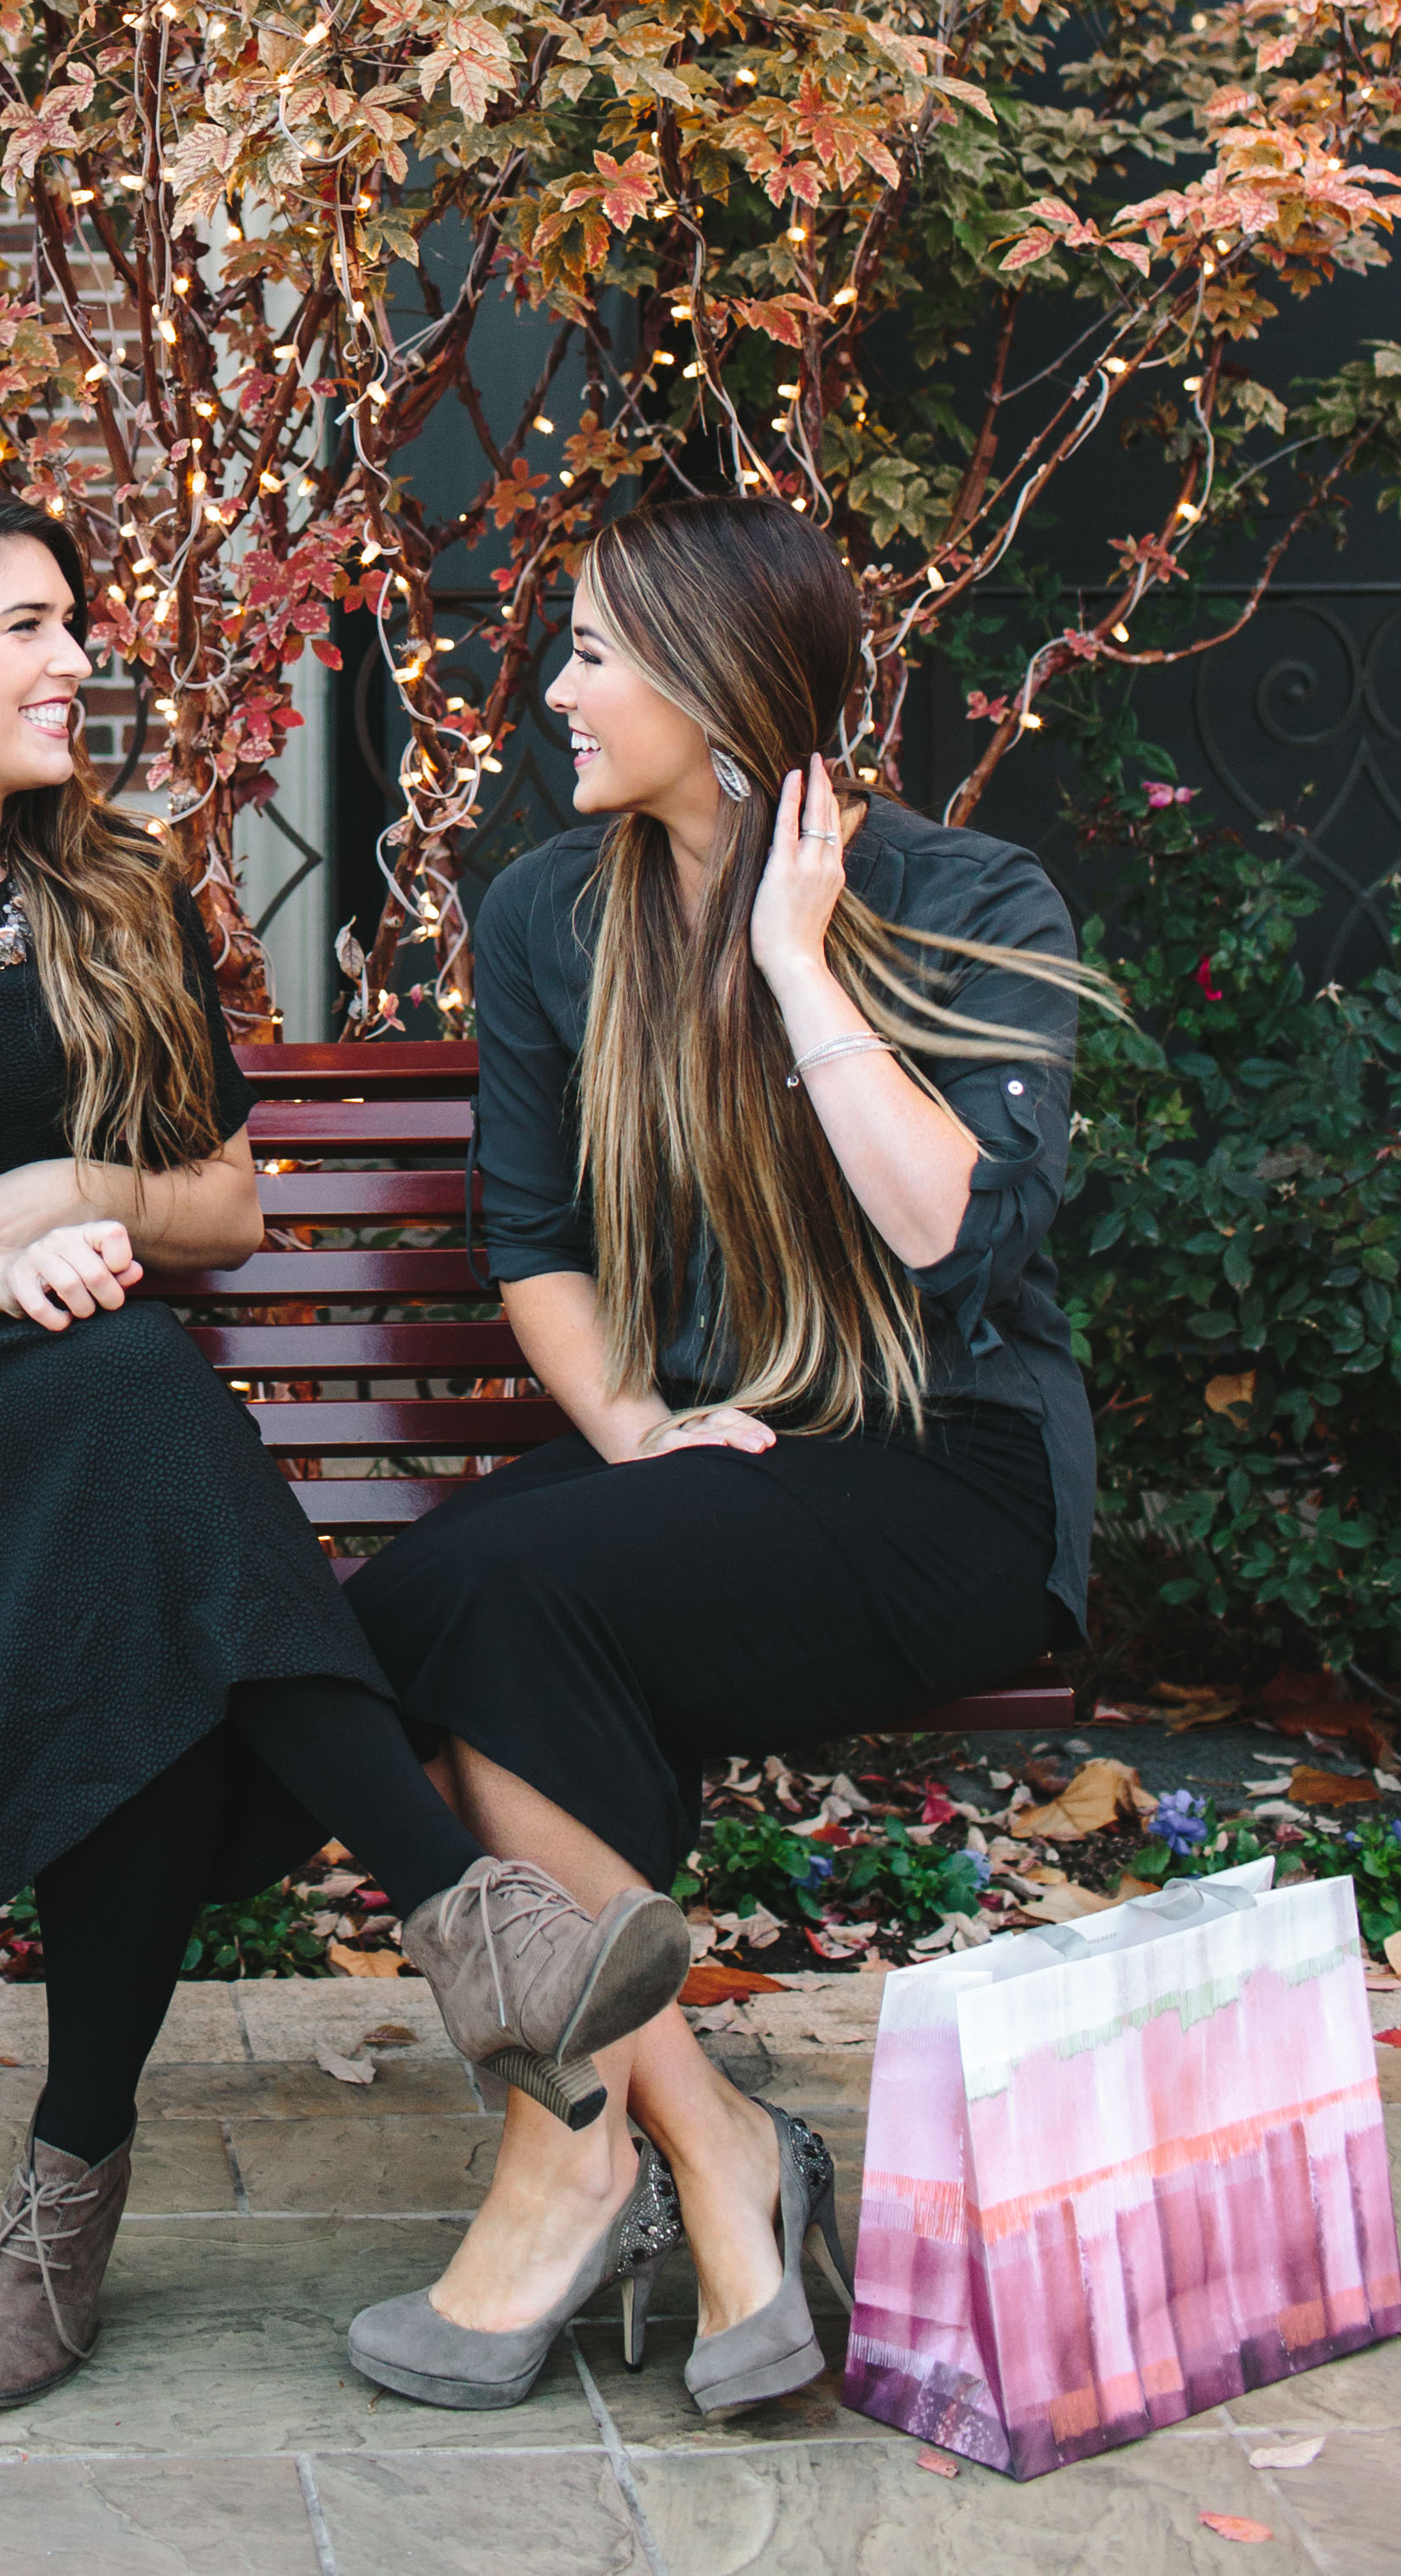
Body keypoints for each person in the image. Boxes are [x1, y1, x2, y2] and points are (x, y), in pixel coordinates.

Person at [0, 479, 693, 2407]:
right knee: (127, 1415)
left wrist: (69, 1187)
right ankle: (466, 1916)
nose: (78, 658)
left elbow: (220, 1207)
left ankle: (73, 2184)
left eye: (76, 621)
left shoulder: (114, 885)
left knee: (127, 1533)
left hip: (78, 1443)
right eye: (31, 625)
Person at [342, 495, 1102, 2419]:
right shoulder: (553, 913)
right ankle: (689, 2137)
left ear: (719, 680)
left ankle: (579, 2163)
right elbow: (536, 1239)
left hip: (942, 1473)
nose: (556, 689)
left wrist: (795, 961)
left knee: (478, 1608)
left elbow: (947, 1231)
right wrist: (632, 1432)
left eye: (596, 651)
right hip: (715, 1456)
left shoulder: (969, 894)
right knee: (406, 1615)